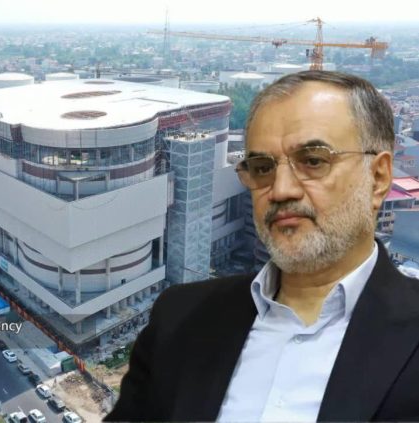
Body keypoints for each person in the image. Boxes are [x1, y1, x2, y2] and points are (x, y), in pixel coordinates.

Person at [104, 70, 419, 422]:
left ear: (378, 177)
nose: (281, 190)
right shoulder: (180, 317)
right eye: (262, 167)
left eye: (313, 160)